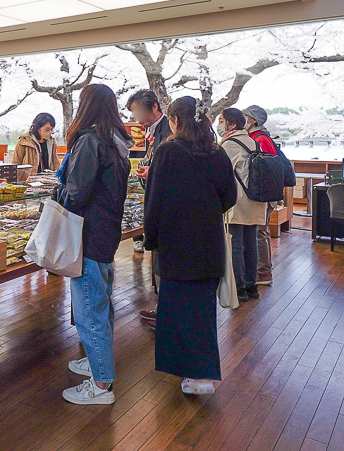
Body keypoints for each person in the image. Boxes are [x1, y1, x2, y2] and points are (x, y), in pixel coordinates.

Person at [144, 96, 235, 395]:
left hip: (176, 241)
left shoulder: (168, 150)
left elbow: (154, 200)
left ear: (174, 121)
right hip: (208, 240)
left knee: (176, 309)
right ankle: (201, 375)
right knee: (201, 310)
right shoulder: (217, 152)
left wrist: (151, 238)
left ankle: (191, 373)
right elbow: (229, 197)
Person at [57, 85, 132, 405]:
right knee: (100, 302)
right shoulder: (117, 142)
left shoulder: (90, 141)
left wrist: (56, 193)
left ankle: (101, 384)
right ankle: (96, 360)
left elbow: (76, 193)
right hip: (106, 230)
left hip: (87, 234)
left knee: (90, 308)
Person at [126, 89, 172, 325]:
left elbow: (170, 168)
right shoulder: (151, 131)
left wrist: (151, 171)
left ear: (155, 107)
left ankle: (166, 310)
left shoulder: (169, 131)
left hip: (166, 204)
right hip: (155, 198)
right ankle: (163, 305)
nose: (137, 119)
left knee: (164, 259)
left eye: (139, 113)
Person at [219, 108, 267, 303]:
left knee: (236, 243)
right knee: (251, 242)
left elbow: (221, 173)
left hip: (238, 200)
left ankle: (239, 287)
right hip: (254, 199)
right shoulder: (252, 141)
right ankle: (251, 285)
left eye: (222, 120)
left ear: (231, 124)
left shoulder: (230, 144)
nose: (219, 124)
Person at [242, 105, 277, 285]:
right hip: (265, 191)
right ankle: (260, 270)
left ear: (253, 120)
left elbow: (262, 169)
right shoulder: (260, 137)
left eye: (245, 116)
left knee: (260, 231)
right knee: (259, 230)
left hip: (263, 193)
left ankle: (263, 272)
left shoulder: (259, 139)